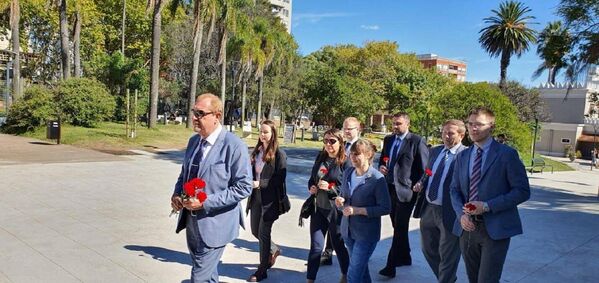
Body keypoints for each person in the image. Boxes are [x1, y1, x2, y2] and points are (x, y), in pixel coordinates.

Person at [170, 93, 253, 283]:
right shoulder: (193, 142)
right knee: (208, 276)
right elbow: (185, 174)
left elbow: (243, 186)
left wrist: (205, 202)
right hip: (192, 223)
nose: (194, 117)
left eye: (200, 113)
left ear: (217, 116)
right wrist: (177, 194)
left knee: (199, 278)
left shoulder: (234, 146)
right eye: (194, 112)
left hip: (216, 225)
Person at [450, 107, 530, 283]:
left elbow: (522, 191)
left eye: (479, 124)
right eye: (470, 124)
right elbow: (454, 189)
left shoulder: (507, 155)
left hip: (495, 229)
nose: (473, 128)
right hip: (467, 228)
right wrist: (461, 214)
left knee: (487, 279)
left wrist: (487, 206)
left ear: (491, 126)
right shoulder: (463, 156)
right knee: (473, 279)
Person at [412, 120, 467, 283]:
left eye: (451, 133)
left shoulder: (466, 155)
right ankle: (447, 279)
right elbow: (428, 172)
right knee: (428, 249)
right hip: (429, 208)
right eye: (444, 132)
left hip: (450, 211)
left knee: (448, 254)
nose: (446, 136)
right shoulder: (435, 151)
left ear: (461, 135)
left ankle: (446, 280)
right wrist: (421, 182)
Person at [378, 112, 429, 278]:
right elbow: (382, 160)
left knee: (399, 228)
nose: (394, 127)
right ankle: (405, 256)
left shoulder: (416, 141)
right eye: (393, 123)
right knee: (397, 225)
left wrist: (419, 184)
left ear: (407, 124)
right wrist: (381, 168)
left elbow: (425, 168)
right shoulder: (388, 140)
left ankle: (390, 266)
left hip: (406, 191)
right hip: (389, 188)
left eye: (398, 123)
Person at [336, 139, 391, 283]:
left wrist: (358, 210)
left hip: (366, 235)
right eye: (351, 154)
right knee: (361, 270)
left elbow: (385, 208)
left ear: (368, 155)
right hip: (348, 231)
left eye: (357, 154)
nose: (352, 157)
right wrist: (340, 201)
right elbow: (344, 197)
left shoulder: (377, 179)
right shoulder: (348, 172)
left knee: (353, 274)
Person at [306, 129, 350, 283]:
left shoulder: (346, 162)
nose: (328, 144)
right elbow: (312, 178)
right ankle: (310, 279)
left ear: (341, 142)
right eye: (326, 141)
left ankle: (345, 274)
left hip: (335, 211)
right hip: (319, 209)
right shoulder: (321, 157)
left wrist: (330, 187)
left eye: (332, 141)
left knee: (338, 245)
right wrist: (312, 186)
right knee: (316, 247)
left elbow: (347, 188)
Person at [246, 120, 287, 282]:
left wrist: (259, 183)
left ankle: (262, 270)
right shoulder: (255, 152)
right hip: (255, 198)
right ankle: (274, 249)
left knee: (263, 233)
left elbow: (279, 179)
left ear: (273, 134)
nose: (262, 135)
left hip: (270, 202)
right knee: (255, 231)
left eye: (266, 132)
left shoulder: (279, 155)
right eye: (261, 132)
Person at [321, 117, 362, 266]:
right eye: (344, 128)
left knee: (349, 228)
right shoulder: (339, 144)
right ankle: (328, 251)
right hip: (337, 193)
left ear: (358, 129)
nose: (346, 131)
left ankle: (355, 254)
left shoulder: (362, 146)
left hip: (354, 191)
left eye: (350, 128)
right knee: (333, 224)